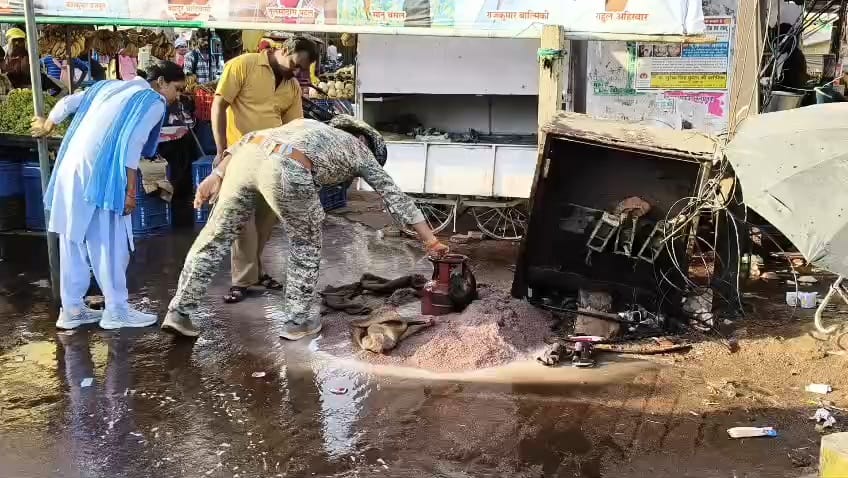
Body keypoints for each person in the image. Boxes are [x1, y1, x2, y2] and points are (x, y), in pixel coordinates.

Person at [162, 115, 449, 340]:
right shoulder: (360, 150)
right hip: (287, 166)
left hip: (246, 157)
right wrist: (431, 241)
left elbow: (246, 139)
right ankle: (298, 322)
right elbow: (394, 196)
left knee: (213, 239)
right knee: (305, 244)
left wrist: (216, 174)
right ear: (363, 139)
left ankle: (179, 312)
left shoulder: (305, 125)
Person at [31, 61, 185, 331]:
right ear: (161, 82)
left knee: (73, 238)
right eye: (177, 88)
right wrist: (130, 190)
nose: (178, 96)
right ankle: (116, 309)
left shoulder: (106, 86)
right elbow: (133, 143)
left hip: (70, 167)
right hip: (102, 170)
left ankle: (72, 309)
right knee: (110, 241)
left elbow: (67, 103)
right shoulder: (152, 100)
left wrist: (48, 124)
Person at [211, 36, 317, 304]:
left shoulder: (292, 86)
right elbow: (219, 105)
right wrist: (221, 150)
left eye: (301, 69)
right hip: (239, 157)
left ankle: (255, 272)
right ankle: (242, 280)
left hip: (272, 161)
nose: (296, 72)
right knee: (242, 222)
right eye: (295, 64)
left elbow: (294, 129)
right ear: (284, 49)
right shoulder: (243, 65)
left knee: (266, 220)